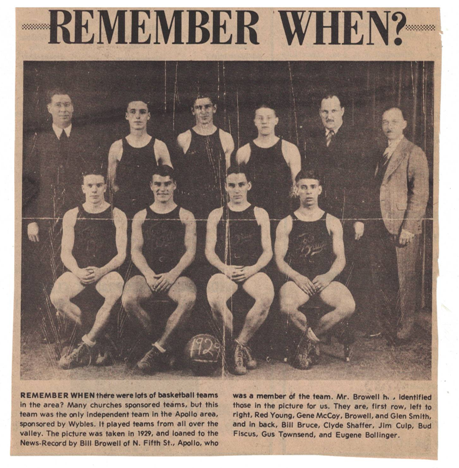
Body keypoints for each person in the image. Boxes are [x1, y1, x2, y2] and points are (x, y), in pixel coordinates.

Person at [23, 88, 102, 343]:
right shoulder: (38, 140)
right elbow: (28, 183)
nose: (63, 109)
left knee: (76, 267)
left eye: (67, 104)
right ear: (49, 108)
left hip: (78, 218)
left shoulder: (84, 139)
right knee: (47, 269)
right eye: (58, 105)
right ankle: (52, 326)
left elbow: (94, 180)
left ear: (73, 108)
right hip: (46, 217)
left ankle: (77, 327)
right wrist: (31, 220)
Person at [275, 170, 355, 369]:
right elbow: (279, 260)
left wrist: (328, 276)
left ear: (319, 190)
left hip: (324, 280)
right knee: (286, 307)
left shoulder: (332, 221)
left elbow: (340, 258)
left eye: (312, 187)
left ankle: (308, 341)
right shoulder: (286, 222)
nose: (308, 191)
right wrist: (296, 276)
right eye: (303, 187)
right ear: (297, 190)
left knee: (348, 305)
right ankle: (311, 342)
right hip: (298, 282)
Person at [122, 165, 197, 374]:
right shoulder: (141, 216)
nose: (162, 188)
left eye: (167, 184)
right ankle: (162, 347)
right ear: (151, 186)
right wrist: (148, 274)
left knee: (189, 298)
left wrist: (172, 275)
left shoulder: (186, 215)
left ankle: (156, 350)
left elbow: (190, 252)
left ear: (174, 185)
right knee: (128, 299)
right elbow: (136, 251)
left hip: (177, 275)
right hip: (147, 274)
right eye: (158, 184)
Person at [50, 171, 127, 369]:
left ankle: (85, 344)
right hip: (80, 272)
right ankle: (98, 339)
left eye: (98, 185)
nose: (94, 190)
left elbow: (121, 255)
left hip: (106, 272)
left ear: (105, 188)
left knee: (114, 292)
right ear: (83, 189)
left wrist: (102, 271)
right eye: (90, 186)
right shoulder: (72, 214)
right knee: (57, 297)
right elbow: (65, 252)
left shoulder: (117, 214)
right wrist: (77, 271)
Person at [368, 107, 429, 343]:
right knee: (383, 279)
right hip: (381, 226)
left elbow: (420, 194)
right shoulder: (381, 152)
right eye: (385, 122)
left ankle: (404, 330)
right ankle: (386, 327)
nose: (389, 126)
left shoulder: (414, 152)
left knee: (404, 280)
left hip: (402, 227)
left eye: (394, 122)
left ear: (404, 124)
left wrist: (409, 228)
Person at [205, 165, 274, 375]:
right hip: (225, 270)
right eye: (232, 185)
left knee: (266, 296)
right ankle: (235, 347)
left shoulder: (260, 213)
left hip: (252, 270)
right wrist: (224, 268)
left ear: (249, 186)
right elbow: (209, 251)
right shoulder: (216, 214)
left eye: (241, 185)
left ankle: (239, 345)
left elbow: (268, 252)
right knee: (215, 299)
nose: (237, 190)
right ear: (225, 187)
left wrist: (253, 269)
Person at [108, 99, 172, 219]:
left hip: (151, 209)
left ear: (148, 116)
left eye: (142, 112)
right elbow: (111, 184)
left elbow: (170, 182)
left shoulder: (159, 146)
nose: (137, 116)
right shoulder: (117, 146)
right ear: (127, 116)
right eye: (133, 112)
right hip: (124, 208)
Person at [235, 104, 301, 221]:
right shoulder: (243, 152)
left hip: (282, 214)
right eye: (260, 118)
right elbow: (238, 187)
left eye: (269, 118)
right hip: (253, 217)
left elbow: (296, 187)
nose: (264, 122)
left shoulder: (290, 149)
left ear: (276, 120)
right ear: (255, 121)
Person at [177, 93, 234, 221]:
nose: (203, 112)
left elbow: (228, 174)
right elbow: (180, 174)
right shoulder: (183, 138)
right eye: (199, 108)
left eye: (207, 107)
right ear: (193, 111)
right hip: (191, 201)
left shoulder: (225, 137)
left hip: (217, 200)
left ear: (214, 108)